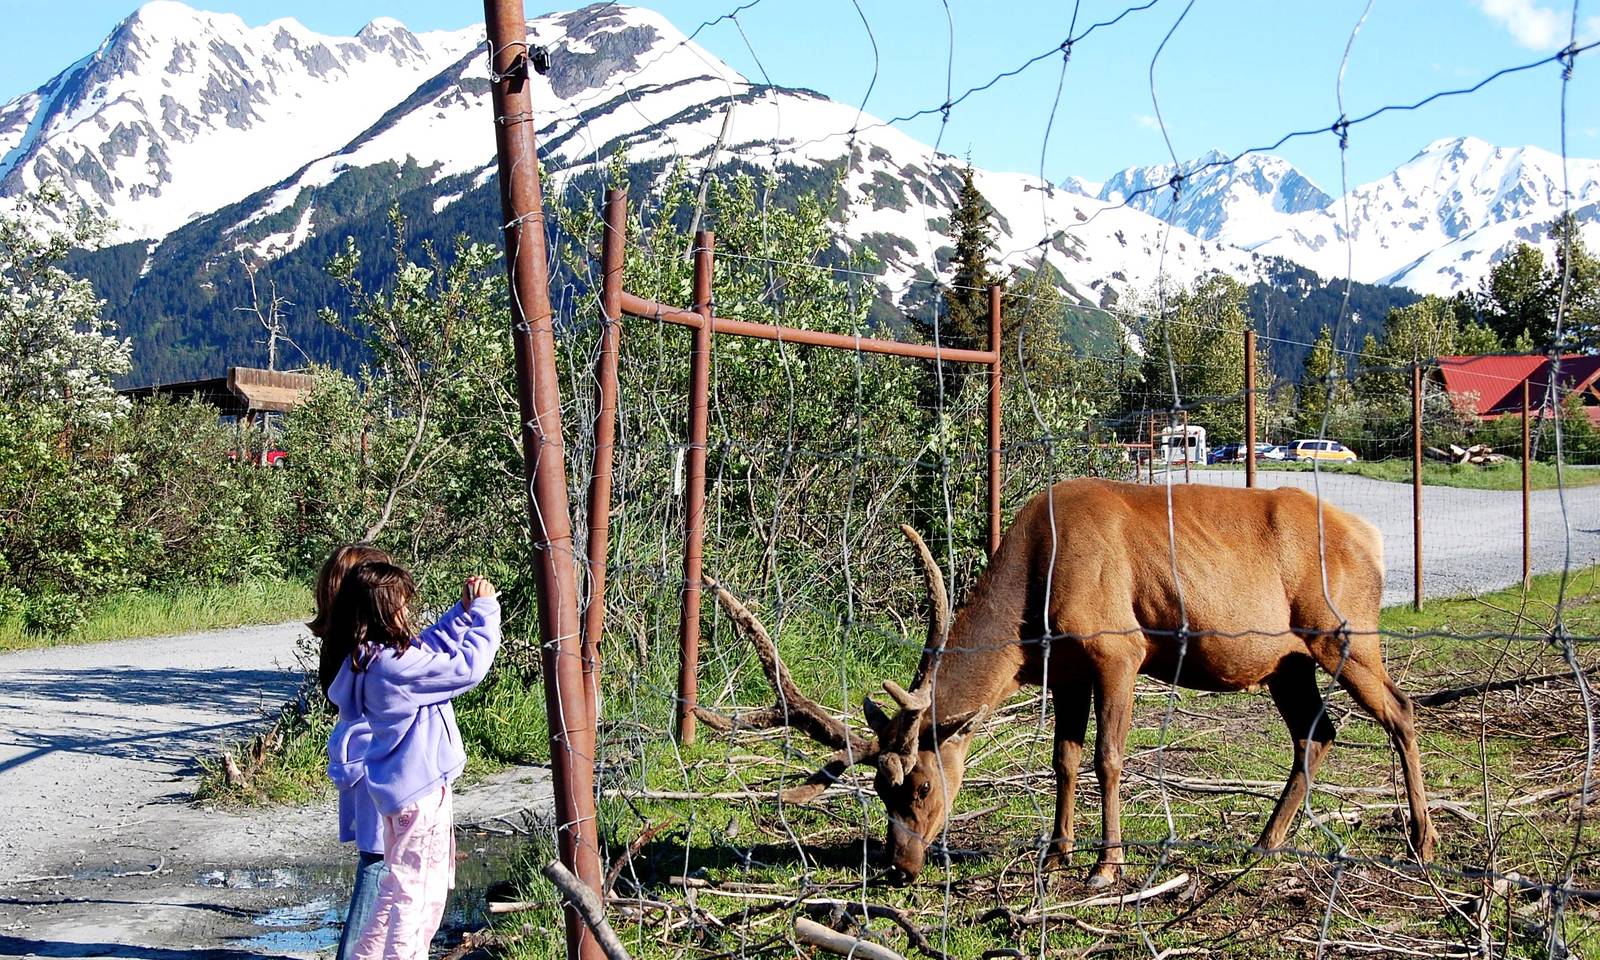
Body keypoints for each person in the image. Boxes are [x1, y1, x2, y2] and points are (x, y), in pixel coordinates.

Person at [326, 561, 501, 960]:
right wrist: (487, 614)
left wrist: (463, 613)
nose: (408, 612)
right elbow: (466, 668)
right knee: (419, 897)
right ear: (388, 612)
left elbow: (429, 646)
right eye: (403, 606)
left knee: (395, 888)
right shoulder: (395, 668)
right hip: (420, 796)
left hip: (401, 795)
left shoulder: (370, 657)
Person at [309, 543, 392, 960]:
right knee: (380, 861)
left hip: (360, 764)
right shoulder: (365, 652)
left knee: (379, 859)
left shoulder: (338, 645)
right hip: (378, 764)